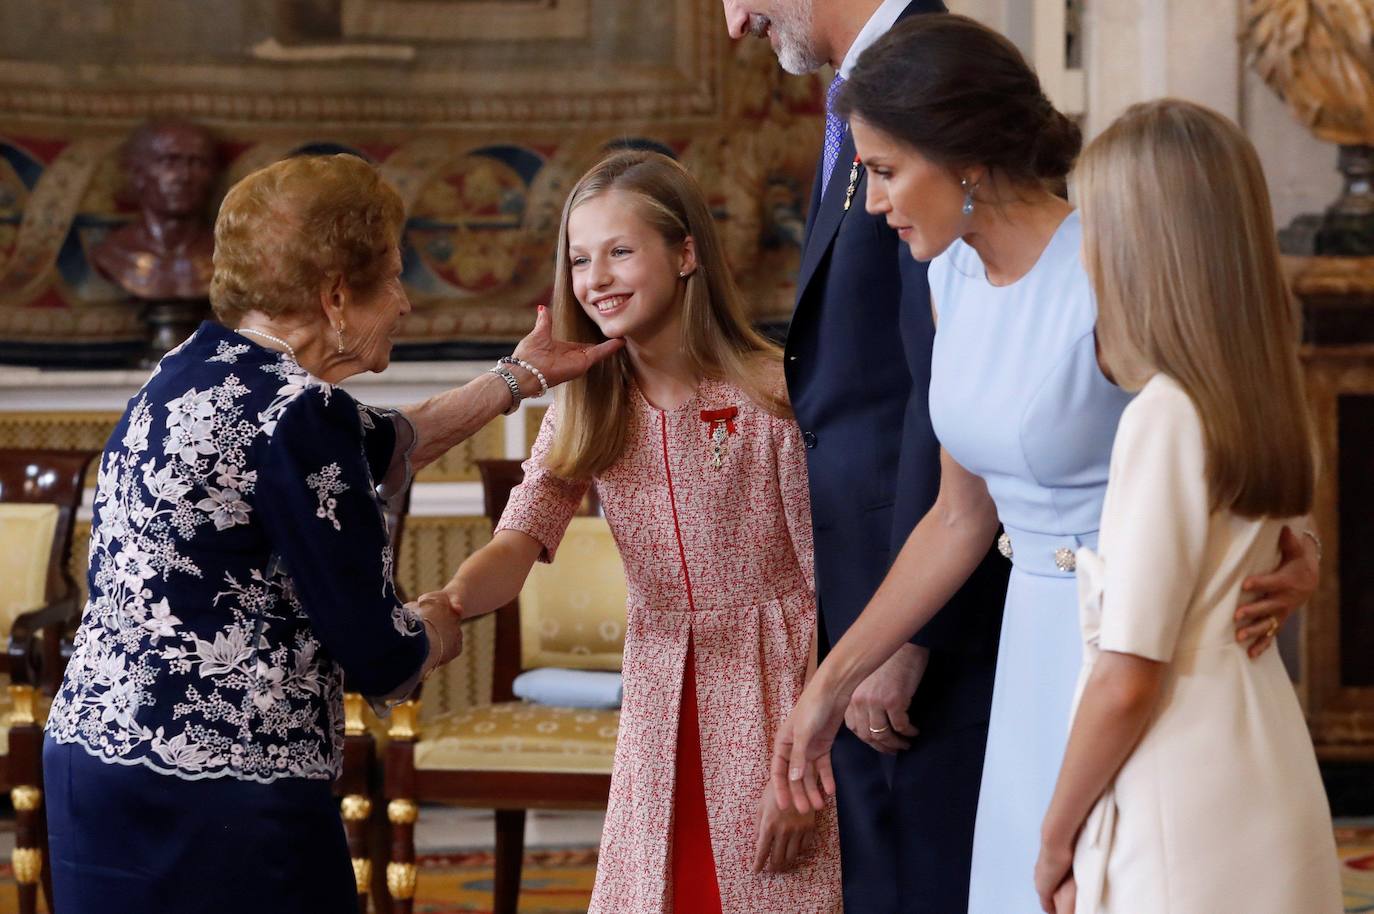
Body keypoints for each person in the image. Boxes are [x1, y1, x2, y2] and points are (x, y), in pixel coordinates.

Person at [768, 15, 1320, 914]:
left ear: (967, 161)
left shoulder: (1113, 263)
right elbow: (958, 519)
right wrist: (827, 687)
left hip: (1137, 648)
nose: (872, 203)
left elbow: (1227, 414)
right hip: (1026, 644)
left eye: (886, 172)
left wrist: (1294, 541)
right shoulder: (948, 276)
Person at [42, 153, 621, 914]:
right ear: (338, 295)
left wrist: (518, 377)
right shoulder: (299, 415)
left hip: (94, 765)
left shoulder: (194, 367)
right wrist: (446, 613)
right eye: (393, 278)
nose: (407, 304)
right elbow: (380, 653)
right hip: (223, 792)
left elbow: (380, 441)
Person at [421, 150, 841, 913]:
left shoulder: (774, 393)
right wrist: (448, 604)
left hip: (778, 692)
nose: (597, 279)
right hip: (658, 694)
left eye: (620, 251)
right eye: (581, 259)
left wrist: (807, 757)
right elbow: (516, 546)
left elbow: (828, 586)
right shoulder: (586, 409)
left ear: (685, 255)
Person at [720, 2, 1009, 910]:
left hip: (924, 596)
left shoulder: (925, 78)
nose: (733, 22)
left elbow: (941, 387)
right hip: (870, 580)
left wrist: (905, 631)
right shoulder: (861, 92)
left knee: (927, 874)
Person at [1033, 99, 1342, 914]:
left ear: (1141, 250)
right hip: (1266, 762)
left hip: (1182, 792)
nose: (1085, 255)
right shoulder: (1260, 393)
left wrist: (1055, 833)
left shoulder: (1166, 415)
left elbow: (1129, 676)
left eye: (1094, 228)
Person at [92, 119, 219, 300]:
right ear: (138, 173)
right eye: (169, 161)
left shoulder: (225, 257)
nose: (184, 176)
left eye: (197, 163)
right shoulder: (113, 253)